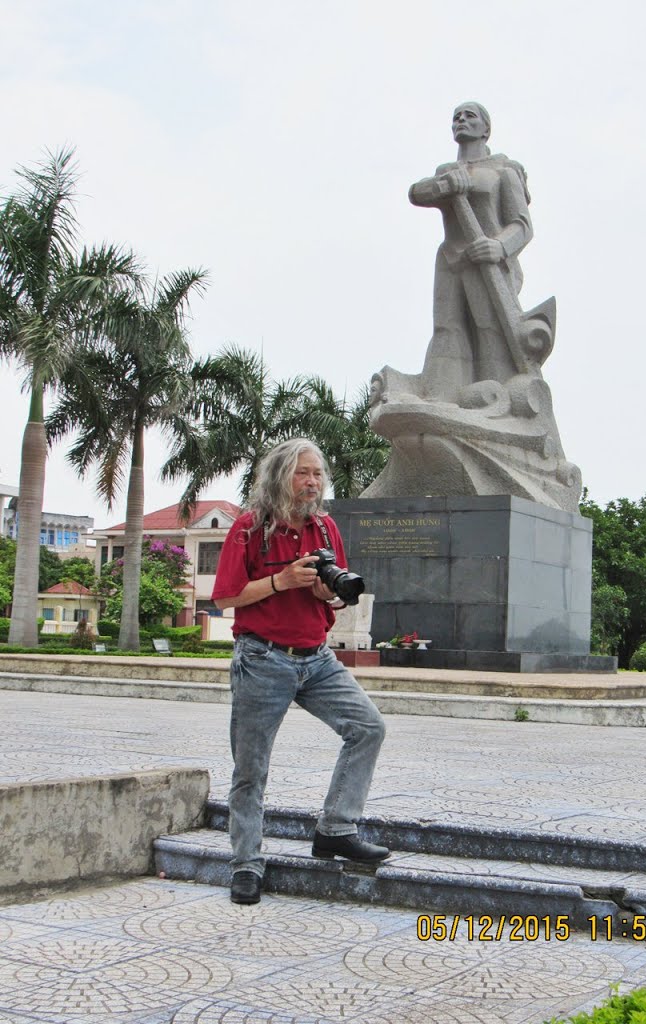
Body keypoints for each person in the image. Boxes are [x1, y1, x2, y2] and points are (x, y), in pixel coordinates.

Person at [212, 438, 389, 905]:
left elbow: (334, 594)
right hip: (261, 659)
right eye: (301, 473)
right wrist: (281, 581)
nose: (312, 482)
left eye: (317, 474)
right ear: (279, 477)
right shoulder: (249, 530)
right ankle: (246, 864)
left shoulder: (327, 530)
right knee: (250, 769)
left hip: (317, 658)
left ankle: (336, 828)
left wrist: (325, 595)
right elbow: (226, 597)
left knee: (368, 727)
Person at [407, 101, 534, 402]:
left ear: (485, 129)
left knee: (488, 328)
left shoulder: (503, 170)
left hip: (487, 261)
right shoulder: (446, 172)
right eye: (456, 117)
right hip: (452, 258)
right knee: (447, 327)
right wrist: (445, 185)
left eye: (469, 116)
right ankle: (442, 394)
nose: (460, 120)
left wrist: (498, 246)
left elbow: (522, 225)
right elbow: (416, 192)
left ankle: (499, 400)